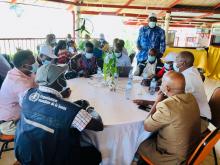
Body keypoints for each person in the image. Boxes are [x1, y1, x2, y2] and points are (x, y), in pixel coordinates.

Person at [15, 64, 103, 165]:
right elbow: (98, 125)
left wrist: (60, 99)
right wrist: (89, 109)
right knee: (95, 154)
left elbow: (44, 107)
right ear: (58, 81)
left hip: (23, 153)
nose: (64, 79)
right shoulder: (72, 111)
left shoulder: (27, 94)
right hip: (50, 160)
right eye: (63, 76)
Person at [134, 71, 201, 165]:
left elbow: (147, 126)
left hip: (172, 159)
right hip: (191, 151)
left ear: (167, 88)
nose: (160, 85)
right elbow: (174, 105)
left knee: (138, 141)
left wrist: (157, 101)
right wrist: (148, 102)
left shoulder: (166, 107)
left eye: (162, 83)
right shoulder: (191, 98)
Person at [0, 50, 37, 135]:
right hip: (9, 123)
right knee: (41, 130)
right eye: (33, 62)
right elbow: (32, 106)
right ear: (24, 66)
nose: (36, 63)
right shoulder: (19, 83)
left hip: (20, 113)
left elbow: (37, 84)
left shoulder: (24, 72)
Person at [173, 51, 211, 132]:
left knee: (163, 125)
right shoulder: (191, 70)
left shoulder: (188, 77)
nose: (175, 61)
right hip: (194, 113)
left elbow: (174, 100)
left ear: (182, 63)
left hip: (199, 119)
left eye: (177, 59)